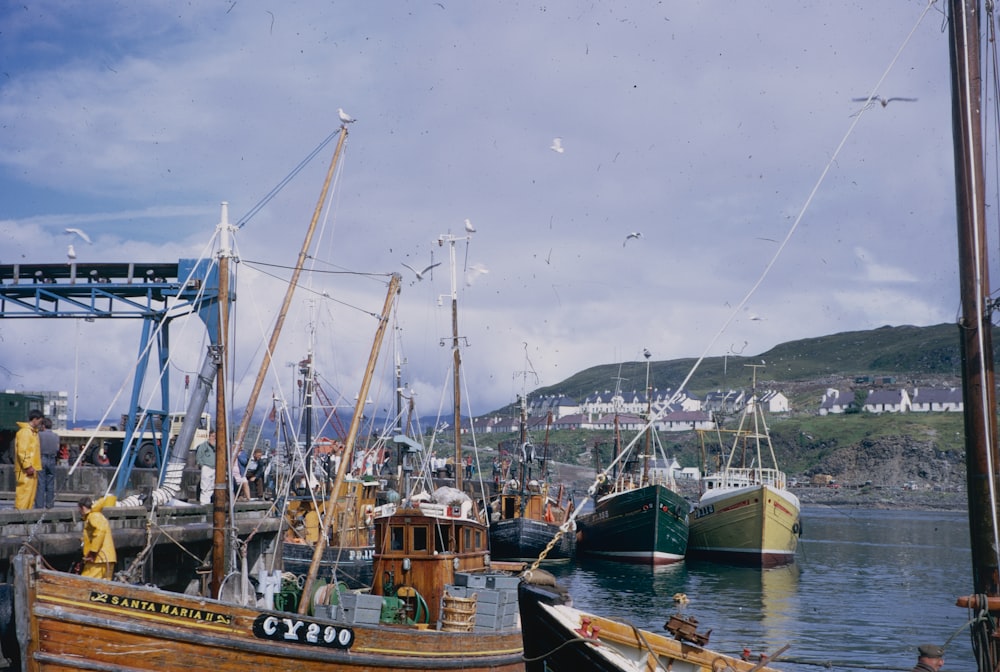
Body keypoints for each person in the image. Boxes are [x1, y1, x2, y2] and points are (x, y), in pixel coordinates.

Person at [78, 495, 117, 579]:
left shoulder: (93, 516)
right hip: (106, 558)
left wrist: (93, 552)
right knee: (103, 587)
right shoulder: (98, 515)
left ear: (83, 508)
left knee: (85, 583)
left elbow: (100, 531)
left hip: (99, 559)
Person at [14, 410, 44, 510]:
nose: (40, 424)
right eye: (40, 421)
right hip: (26, 470)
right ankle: (19, 517)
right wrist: (27, 466)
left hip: (31, 468)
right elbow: (22, 451)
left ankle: (26, 517)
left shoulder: (32, 433)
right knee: (24, 495)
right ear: (34, 420)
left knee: (29, 496)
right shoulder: (25, 432)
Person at [35, 417, 60, 509]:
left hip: (42, 458)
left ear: (43, 425)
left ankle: (39, 506)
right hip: (52, 459)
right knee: (50, 484)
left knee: (41, 483)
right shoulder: (56, 436)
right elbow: (57, 449)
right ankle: (50, 505)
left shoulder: (39, 435)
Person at [195, 430, 216, 504]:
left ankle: (208, 501)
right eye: (212, 436)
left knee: (212, 486)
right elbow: (198, 456)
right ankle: (203, 502)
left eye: (215, 437)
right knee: (205, 485)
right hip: (206, 467)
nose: (214, 438)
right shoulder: (203, 445)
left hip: (215, 468)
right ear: (209, 436)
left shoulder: (217, 447)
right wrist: (202, 465)